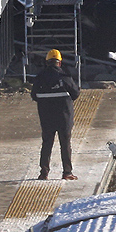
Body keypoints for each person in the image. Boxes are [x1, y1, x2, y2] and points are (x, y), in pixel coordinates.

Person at [33, 49, 80, 180]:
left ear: (47, 62)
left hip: (46, 117)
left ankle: (44, 173)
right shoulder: (64, 76)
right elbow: (75, 93)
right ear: (59, 63)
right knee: (65, 144)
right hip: (64, 116)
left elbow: (34, 95)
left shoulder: (40, 77)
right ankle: (67, 172)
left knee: (47, 143)